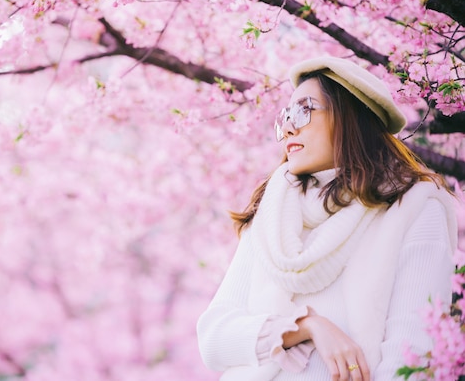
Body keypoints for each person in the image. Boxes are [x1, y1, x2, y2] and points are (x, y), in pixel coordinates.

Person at [196, 56, 458, 381]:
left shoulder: (413, 207)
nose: (289, 127)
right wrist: (307, 326)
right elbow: (214, 337)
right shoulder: (273, 212)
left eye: (304, 110)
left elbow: (415, 353)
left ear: (350, 117)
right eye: (286, 116)